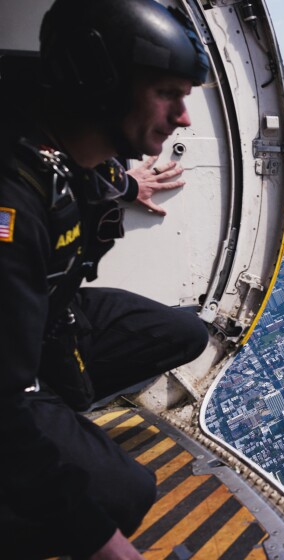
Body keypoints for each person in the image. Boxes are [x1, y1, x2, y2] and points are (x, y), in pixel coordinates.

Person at [0, 0, 212, 558]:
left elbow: (82, 172)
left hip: (52, 321)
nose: (183, 117)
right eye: (168, 94)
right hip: (11, 370)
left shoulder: (65, 141)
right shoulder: (10, 207)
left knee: (186, 334)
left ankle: (64, 421)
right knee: (123, 497)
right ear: (101, 83)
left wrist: (126, 184)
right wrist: (100, 542)